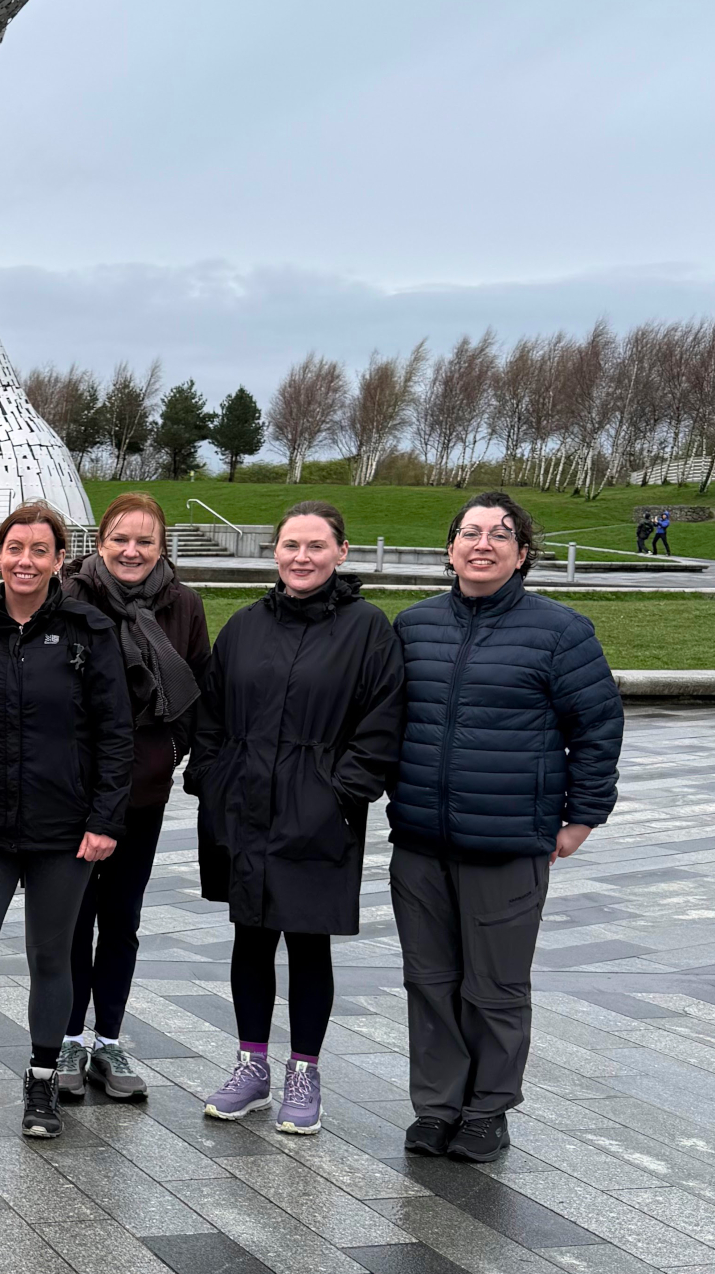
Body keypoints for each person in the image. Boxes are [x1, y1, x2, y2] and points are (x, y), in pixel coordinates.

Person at [389, 491, 622, 1164]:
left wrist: (583, 816)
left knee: (494, 986)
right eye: (469, 532)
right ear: (451, 547)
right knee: (429, 982)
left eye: (499, 534)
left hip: (508, 843)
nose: (481, 543)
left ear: (523, 553)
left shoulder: (561, 631)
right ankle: (437, 1108)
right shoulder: (414, 626)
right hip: (422, 843)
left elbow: (599, 726)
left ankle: (488, 1110)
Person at [189, 501, 404, 1136]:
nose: (301, 557)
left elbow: (383, 721)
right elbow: (212, 711)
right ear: (274, 552)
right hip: (246, 805)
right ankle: (250, 1064)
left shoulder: (368, 629)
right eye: (290, 545)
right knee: (250, 936)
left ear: (342, 552)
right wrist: (211, 777)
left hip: (319, 813)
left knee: (309, 941)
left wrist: (340, 793)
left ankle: (304, 1069)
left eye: (316, 546)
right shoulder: (247, 625)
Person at [0, 503, 132, 1142]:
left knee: (50, 959)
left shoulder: (88, 631)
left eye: (40, 550)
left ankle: (41, 1081)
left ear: (59, 561)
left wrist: (105, 819)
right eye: (15, 548)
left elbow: (116, 733)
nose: (25, 561)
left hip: (63, 833)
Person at [62, 493, 210, 1102]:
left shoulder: (184, 606)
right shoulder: (69, 597)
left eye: (144, 541)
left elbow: (198, 687)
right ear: (100, 543)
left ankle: (108, 1039)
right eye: (120, 539)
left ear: (161, 547)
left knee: (121, 919)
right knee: (71, 919)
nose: (132, 551)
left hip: (142, 791)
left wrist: (169, 751)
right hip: (73, 789)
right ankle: (68, 1035)